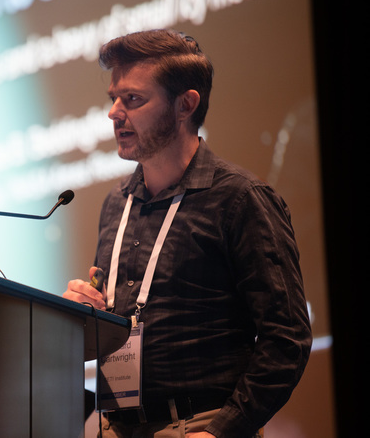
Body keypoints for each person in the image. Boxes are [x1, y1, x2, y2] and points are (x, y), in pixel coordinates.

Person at [62, 29, 312, 438]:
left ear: (185, 105)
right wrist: (84, 313)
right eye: (113, 98)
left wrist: (222, 431)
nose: (114, 113)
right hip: (115, 426)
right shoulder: (117, 201)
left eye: (133, 99)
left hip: (198, 426)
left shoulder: (239, 199)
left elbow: (287, 339)